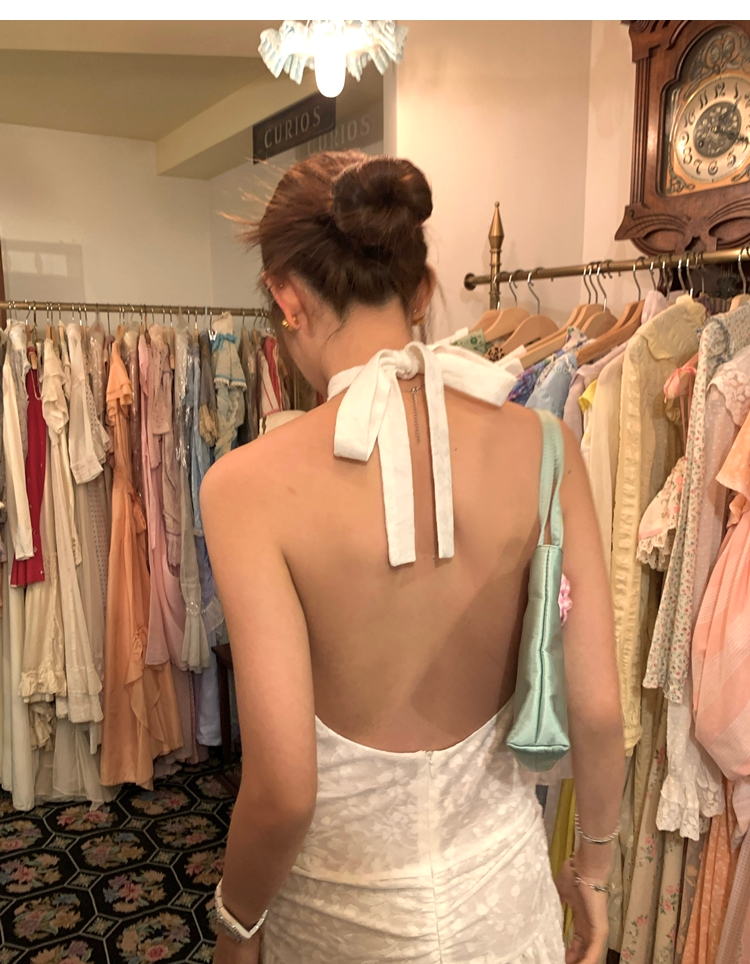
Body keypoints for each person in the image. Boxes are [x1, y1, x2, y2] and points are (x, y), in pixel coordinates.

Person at [201, 150, 625, 964]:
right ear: (424, 291)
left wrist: (237, 925)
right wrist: (594, 869)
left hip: (339, 928)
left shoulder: (245, 488)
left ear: (287, 298)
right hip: (506, 914)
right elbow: (599, 711)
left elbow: (284, 792)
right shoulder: (549, 446)